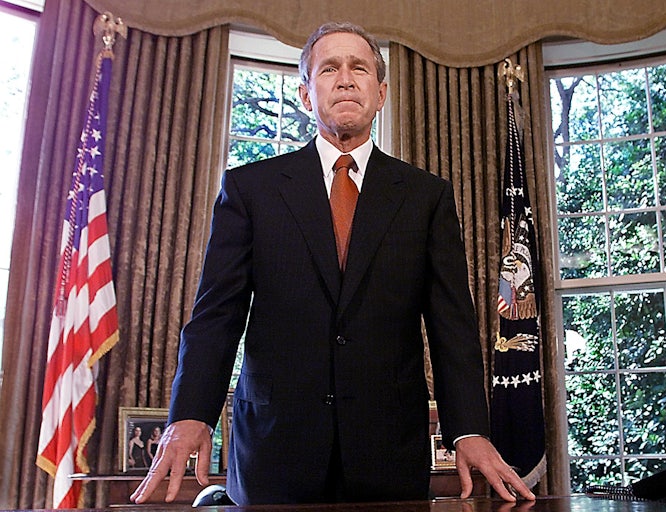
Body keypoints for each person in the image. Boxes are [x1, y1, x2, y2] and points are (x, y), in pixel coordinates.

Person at [131, 21, 536, 506]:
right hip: (272, 452)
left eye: (359, 68)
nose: (345, 79)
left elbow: (452, 326)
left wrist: (468, 429)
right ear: (306, 94)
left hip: (389, 453)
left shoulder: (427, 197)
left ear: (380, 92)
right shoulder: (249, 190)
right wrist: (191, 413)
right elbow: (216, 315)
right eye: (329, 69)